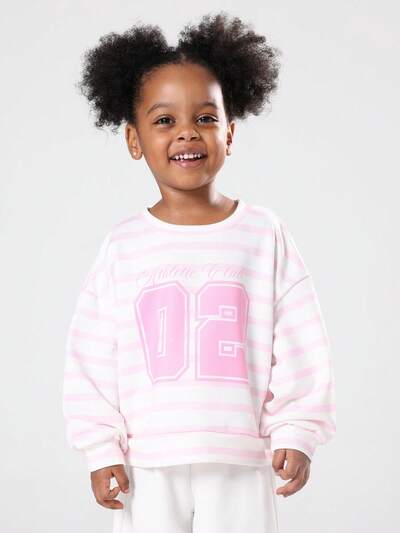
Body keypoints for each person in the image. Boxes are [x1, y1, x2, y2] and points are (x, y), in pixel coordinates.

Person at [62, 11, 336, 533]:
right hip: (146, 462)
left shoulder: (263, 234)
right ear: (134, 140)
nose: (187, 132)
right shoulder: (123, 245)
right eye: (164, 120)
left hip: (240, 456)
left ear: (229, 133)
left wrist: (297, 429)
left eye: (206, 118)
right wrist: (99, 446)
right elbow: (92, 355)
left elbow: (301, 340)